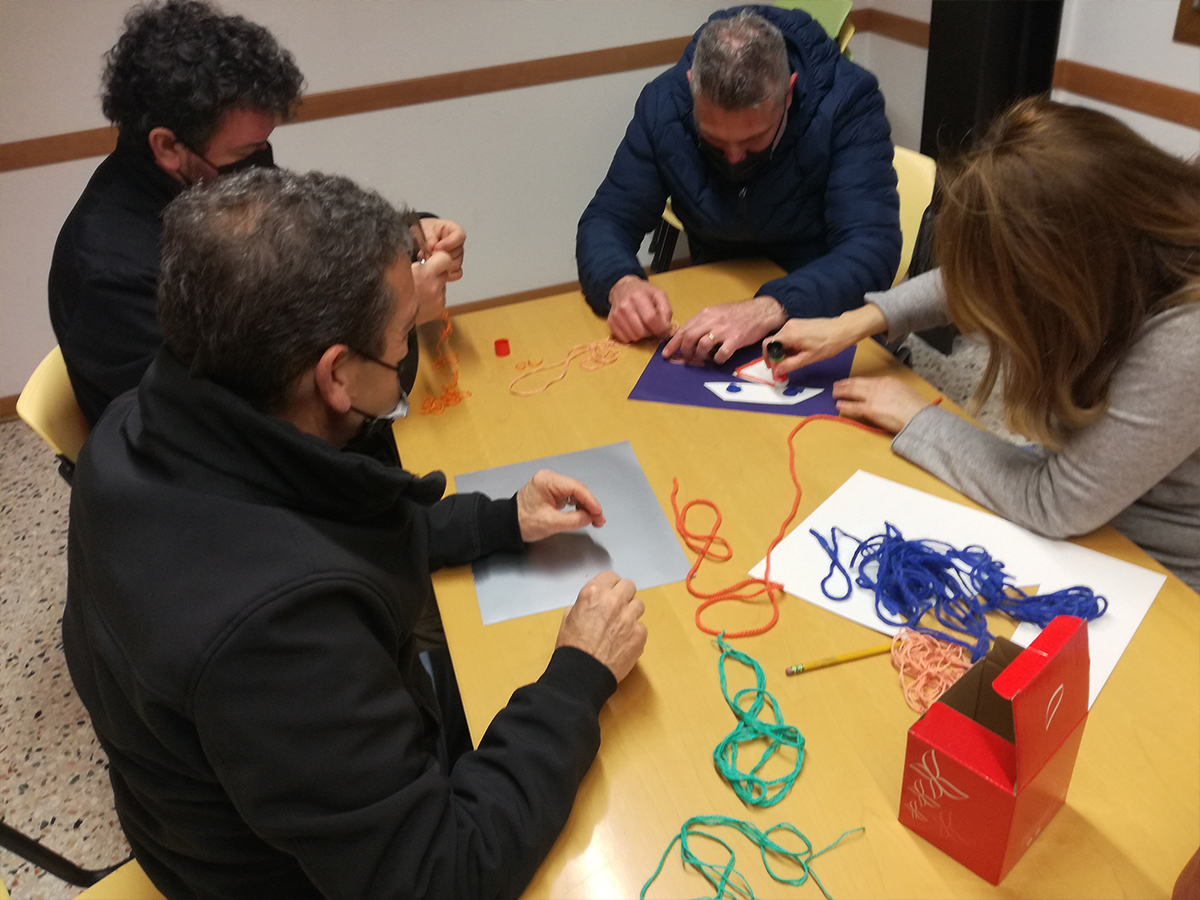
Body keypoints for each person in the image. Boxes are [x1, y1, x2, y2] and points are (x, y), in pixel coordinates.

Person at [61, 168, 648, 899]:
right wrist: (578, 676)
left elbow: (320, 517)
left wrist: (498, 520)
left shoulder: (139, 426)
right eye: (402, 343)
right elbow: (443, 876)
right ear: (336, 376)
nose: (405, 362)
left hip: (225, 808)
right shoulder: (281, 634)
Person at [764, 97, 1200, 591]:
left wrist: (917, 417)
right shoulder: (1123, 240)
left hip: (1155, 567)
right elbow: (980, 275)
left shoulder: (1185, 339)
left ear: (1072, 273)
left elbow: (1053, 503)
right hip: (1090, 499)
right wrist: (854, 323)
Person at [48, 0, 464, 428]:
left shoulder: (210, 183)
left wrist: (406, 238)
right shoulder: (110, 278)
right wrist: (394, 315)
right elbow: (236, 424)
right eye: (246, 152)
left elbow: (312, 244)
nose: (262, 165)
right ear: (168, 146)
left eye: (265, 144)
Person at [576, 5, 900, 366]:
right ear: (692, 88)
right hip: (714, 300)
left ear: (788, 93)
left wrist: (769, 307)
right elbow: (608, 218)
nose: (733, 158)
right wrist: (621, 283)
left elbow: (872, 248)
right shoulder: (663, 104)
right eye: (714, 140)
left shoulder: (848, 101)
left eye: (753, 140)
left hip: (824, 307)